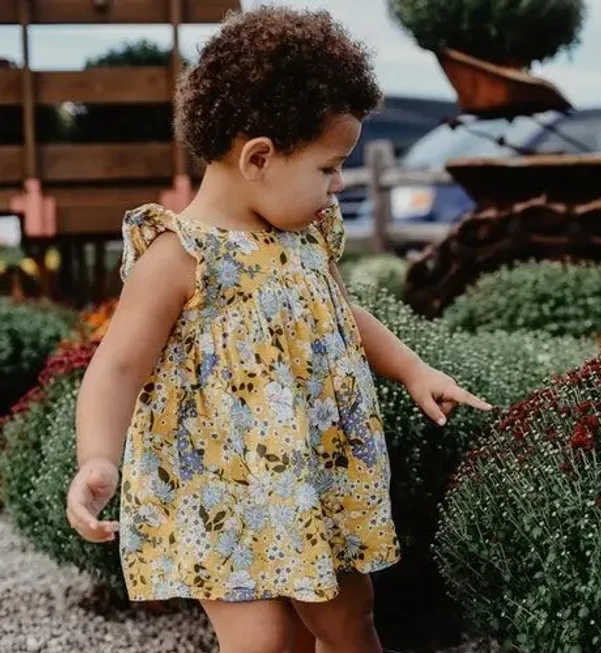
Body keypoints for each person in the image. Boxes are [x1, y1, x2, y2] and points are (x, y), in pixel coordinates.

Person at [63, 6, 491, 653]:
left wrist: (414, 369)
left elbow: (340, 314)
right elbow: (118, 365)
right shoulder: (180, 254)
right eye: (327, 167)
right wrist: (96, 457)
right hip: (222, 493)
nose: (337, 184)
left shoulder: (304, 236)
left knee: (350, 620)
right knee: (264, 639)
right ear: (259, 156)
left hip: (313, 479)